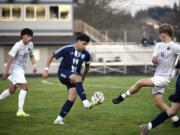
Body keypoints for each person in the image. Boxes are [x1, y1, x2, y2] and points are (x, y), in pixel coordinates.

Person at [112, 23, 180, 127]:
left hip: (165, 78)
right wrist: (154, 60)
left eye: (160, 33)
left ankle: (122, 96)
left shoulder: (175, 47)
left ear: (165, 33)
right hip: (157, 75)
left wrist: (176, 64)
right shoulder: (158, 45)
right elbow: (154, 60)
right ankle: (176, 120)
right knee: (158, 103)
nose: (159, 35)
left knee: (140, 82)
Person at [42, 32, 95, 125]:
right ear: (78, 41)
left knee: (72, 97)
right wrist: (46, 70)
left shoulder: (86, 54)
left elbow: (87, 66)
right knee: (77, 77)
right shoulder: (67, 49)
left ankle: (58, 119)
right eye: (83, 44)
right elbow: (51, 56)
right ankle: (86, 102)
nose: (85, 46)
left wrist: (83, 78)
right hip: (63, 73)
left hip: (75, 78)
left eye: (86, 45)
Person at [0, 28, 37, 117]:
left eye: (31, 36)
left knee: (12, 90)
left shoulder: (31, 44)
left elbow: (31, 55)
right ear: (23, 36)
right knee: (25, 87)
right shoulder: (17, 45)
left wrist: (34, 65)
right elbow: (10, 59)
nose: (30, 38)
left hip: (21, 69)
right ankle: (20, 111)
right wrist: (5, 72)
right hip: (16, 69)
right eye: (28, 36)